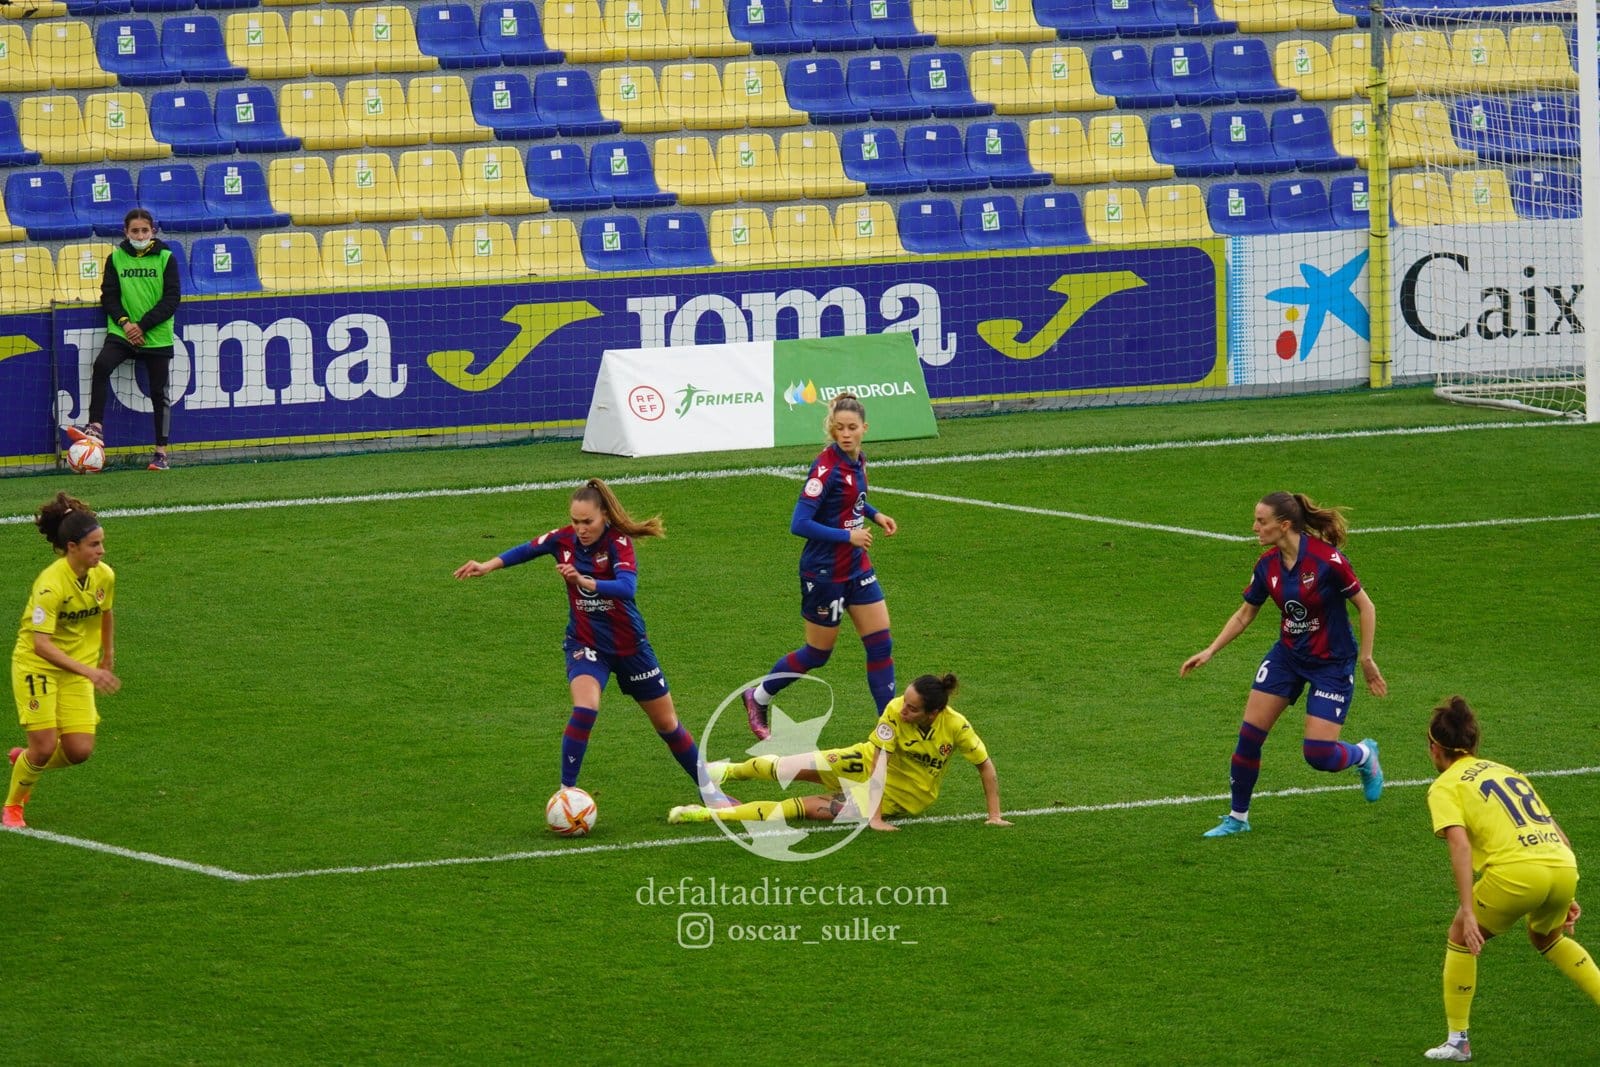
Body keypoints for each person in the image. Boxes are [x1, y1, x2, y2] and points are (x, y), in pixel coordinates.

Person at [453, 478, 729, 807]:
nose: (581, 529)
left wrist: (584, 580)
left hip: (631, 648)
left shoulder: (619, 542)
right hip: (586, 644)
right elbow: (527, 549)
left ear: (604, 518)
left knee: (668, 724)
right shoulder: (563, 539)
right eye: (575, 521)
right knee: (585, 708)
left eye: (588, 522)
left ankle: (710, 792)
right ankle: (566, 794)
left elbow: (627, 588)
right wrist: (487, 565)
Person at [1180, 490, 1387, 838]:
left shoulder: (1327, 560)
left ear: (1284, 525)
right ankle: (1238, 817)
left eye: (1261, 521)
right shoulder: (1266, 566)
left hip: (1331, 664)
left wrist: (1365, 659)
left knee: (1318, 754)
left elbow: (1366, 607)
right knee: (1249, 737)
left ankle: (1364, 755)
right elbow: (1246, 614)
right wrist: (1210, 650)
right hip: (1288, 658)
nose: (1254, 528)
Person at [1421, 696, 1599, 1062]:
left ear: (1435, 748)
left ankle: (1458, 1041)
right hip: (1562, 865)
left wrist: (1469, 911)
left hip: (1517, 874)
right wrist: (1563, 893)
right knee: (1545, 936)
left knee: (1459, 936)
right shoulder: (1506, 771)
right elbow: (1557, 834)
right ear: (1473, 743)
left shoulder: (1445, 786)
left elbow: (1460, 847)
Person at [742, 393, 899, 741]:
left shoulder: (858, 460)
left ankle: (888, 730)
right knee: (818, 653)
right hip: (824, 572)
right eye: (839, 428)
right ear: (831, 428)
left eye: (852, 428)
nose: (846, 434)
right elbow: (800, 523)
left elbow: (851, 498)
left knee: (880, 644)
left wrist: (874, 514)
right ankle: (758, 695)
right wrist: (849, 537)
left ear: (864, 429)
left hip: (858, 568)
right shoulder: (825, 469)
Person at [670, 672, 1010, 831]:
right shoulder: (893, 711)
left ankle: (710, 814)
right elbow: (879, 760)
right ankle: (728, 771)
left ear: (933, 713)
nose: (902, 710)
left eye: (912, 709)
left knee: (797, 809)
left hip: (904, 796)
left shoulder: (957, 727)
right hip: (865, 760)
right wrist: (873, 820)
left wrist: (994, 815)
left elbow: (985, 766)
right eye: (904, 702)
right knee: (785, 767)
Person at [6, 493, 119, 829]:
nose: (101, 551)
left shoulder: (104, 576)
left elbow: (106, 612)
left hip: (77, 669)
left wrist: (107, 656)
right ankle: (13, 807)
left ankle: (25, 762)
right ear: (72, 547)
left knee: (79, 750)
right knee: (43, 745)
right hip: (37, 667)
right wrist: (89, 671)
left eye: (101, 544)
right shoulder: (50, 586)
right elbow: (41, 645)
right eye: (94, 545)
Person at [76, 208, 181, 472]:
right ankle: (96, 427)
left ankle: (161, 453)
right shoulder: (116, 258)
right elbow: (108, 296)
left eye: (144, 230)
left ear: (152, 232)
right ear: (126, 232)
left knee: (159, 393)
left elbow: (172, 299)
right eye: (135, 230)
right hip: (122, 333)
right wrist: (126, 323)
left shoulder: (166, 258)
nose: (140, 234)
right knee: (101, 366)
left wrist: (142, 326)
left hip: (155, 335)